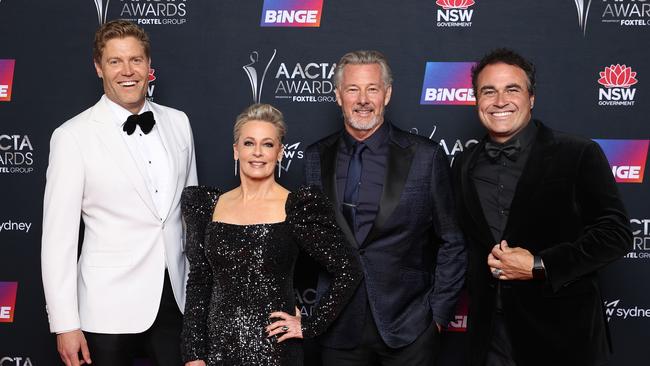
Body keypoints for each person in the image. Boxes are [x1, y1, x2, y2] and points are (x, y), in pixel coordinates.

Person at [452, 48, 633, 366]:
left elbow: (615, 234)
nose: (500, 101)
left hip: (564, 336)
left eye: (512, 89)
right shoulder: (464, 164)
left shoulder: (578, 153)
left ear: (531, 98)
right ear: (476, 100)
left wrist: (539, 265)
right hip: (489, 337)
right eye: (488, 91)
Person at [41, 20, 197, 366]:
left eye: (136, 60)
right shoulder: (72, 136)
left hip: (174, 300)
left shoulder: (178, 123)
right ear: (99, 68)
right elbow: (58, 240)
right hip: (105, 308)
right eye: (115, 61)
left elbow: (191, 216)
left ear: (148, 65)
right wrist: (65, 324)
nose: (127, 71)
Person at [304, 50, 467, 366]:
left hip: (409, 327)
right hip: (337, 328)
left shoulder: (425, 156)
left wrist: (438, 315)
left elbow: (452, 241)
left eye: (372, 89)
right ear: (338, 96)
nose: (362, 99)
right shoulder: (315, 156)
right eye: (353, 89)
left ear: (387, 94)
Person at [180, 103, 362, 366]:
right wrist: (194, 354)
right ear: (235, 150)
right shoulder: (208, 206)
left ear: (280, 152)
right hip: (218, 349)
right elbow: (199, 281)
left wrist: (309, 325)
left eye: (267, 144)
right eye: (249, 143)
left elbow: (349, 268)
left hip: (275, 351)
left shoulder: (298, 207)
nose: (257, 153)